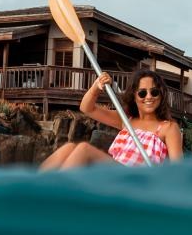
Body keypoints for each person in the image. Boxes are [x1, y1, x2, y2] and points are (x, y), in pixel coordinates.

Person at [40, 68, 184, 170]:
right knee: (69, 147)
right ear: (134, 96)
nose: (149, 97)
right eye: (142, 93)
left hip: (139, 182)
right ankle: (35, 191)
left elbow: (178, 168)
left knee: (84, 149)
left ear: (161, 95)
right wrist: (96, 86)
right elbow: (87, 108)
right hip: (115, 176)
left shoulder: (168, 127)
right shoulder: (126, 120)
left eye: (154, 92)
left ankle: (57, 197)